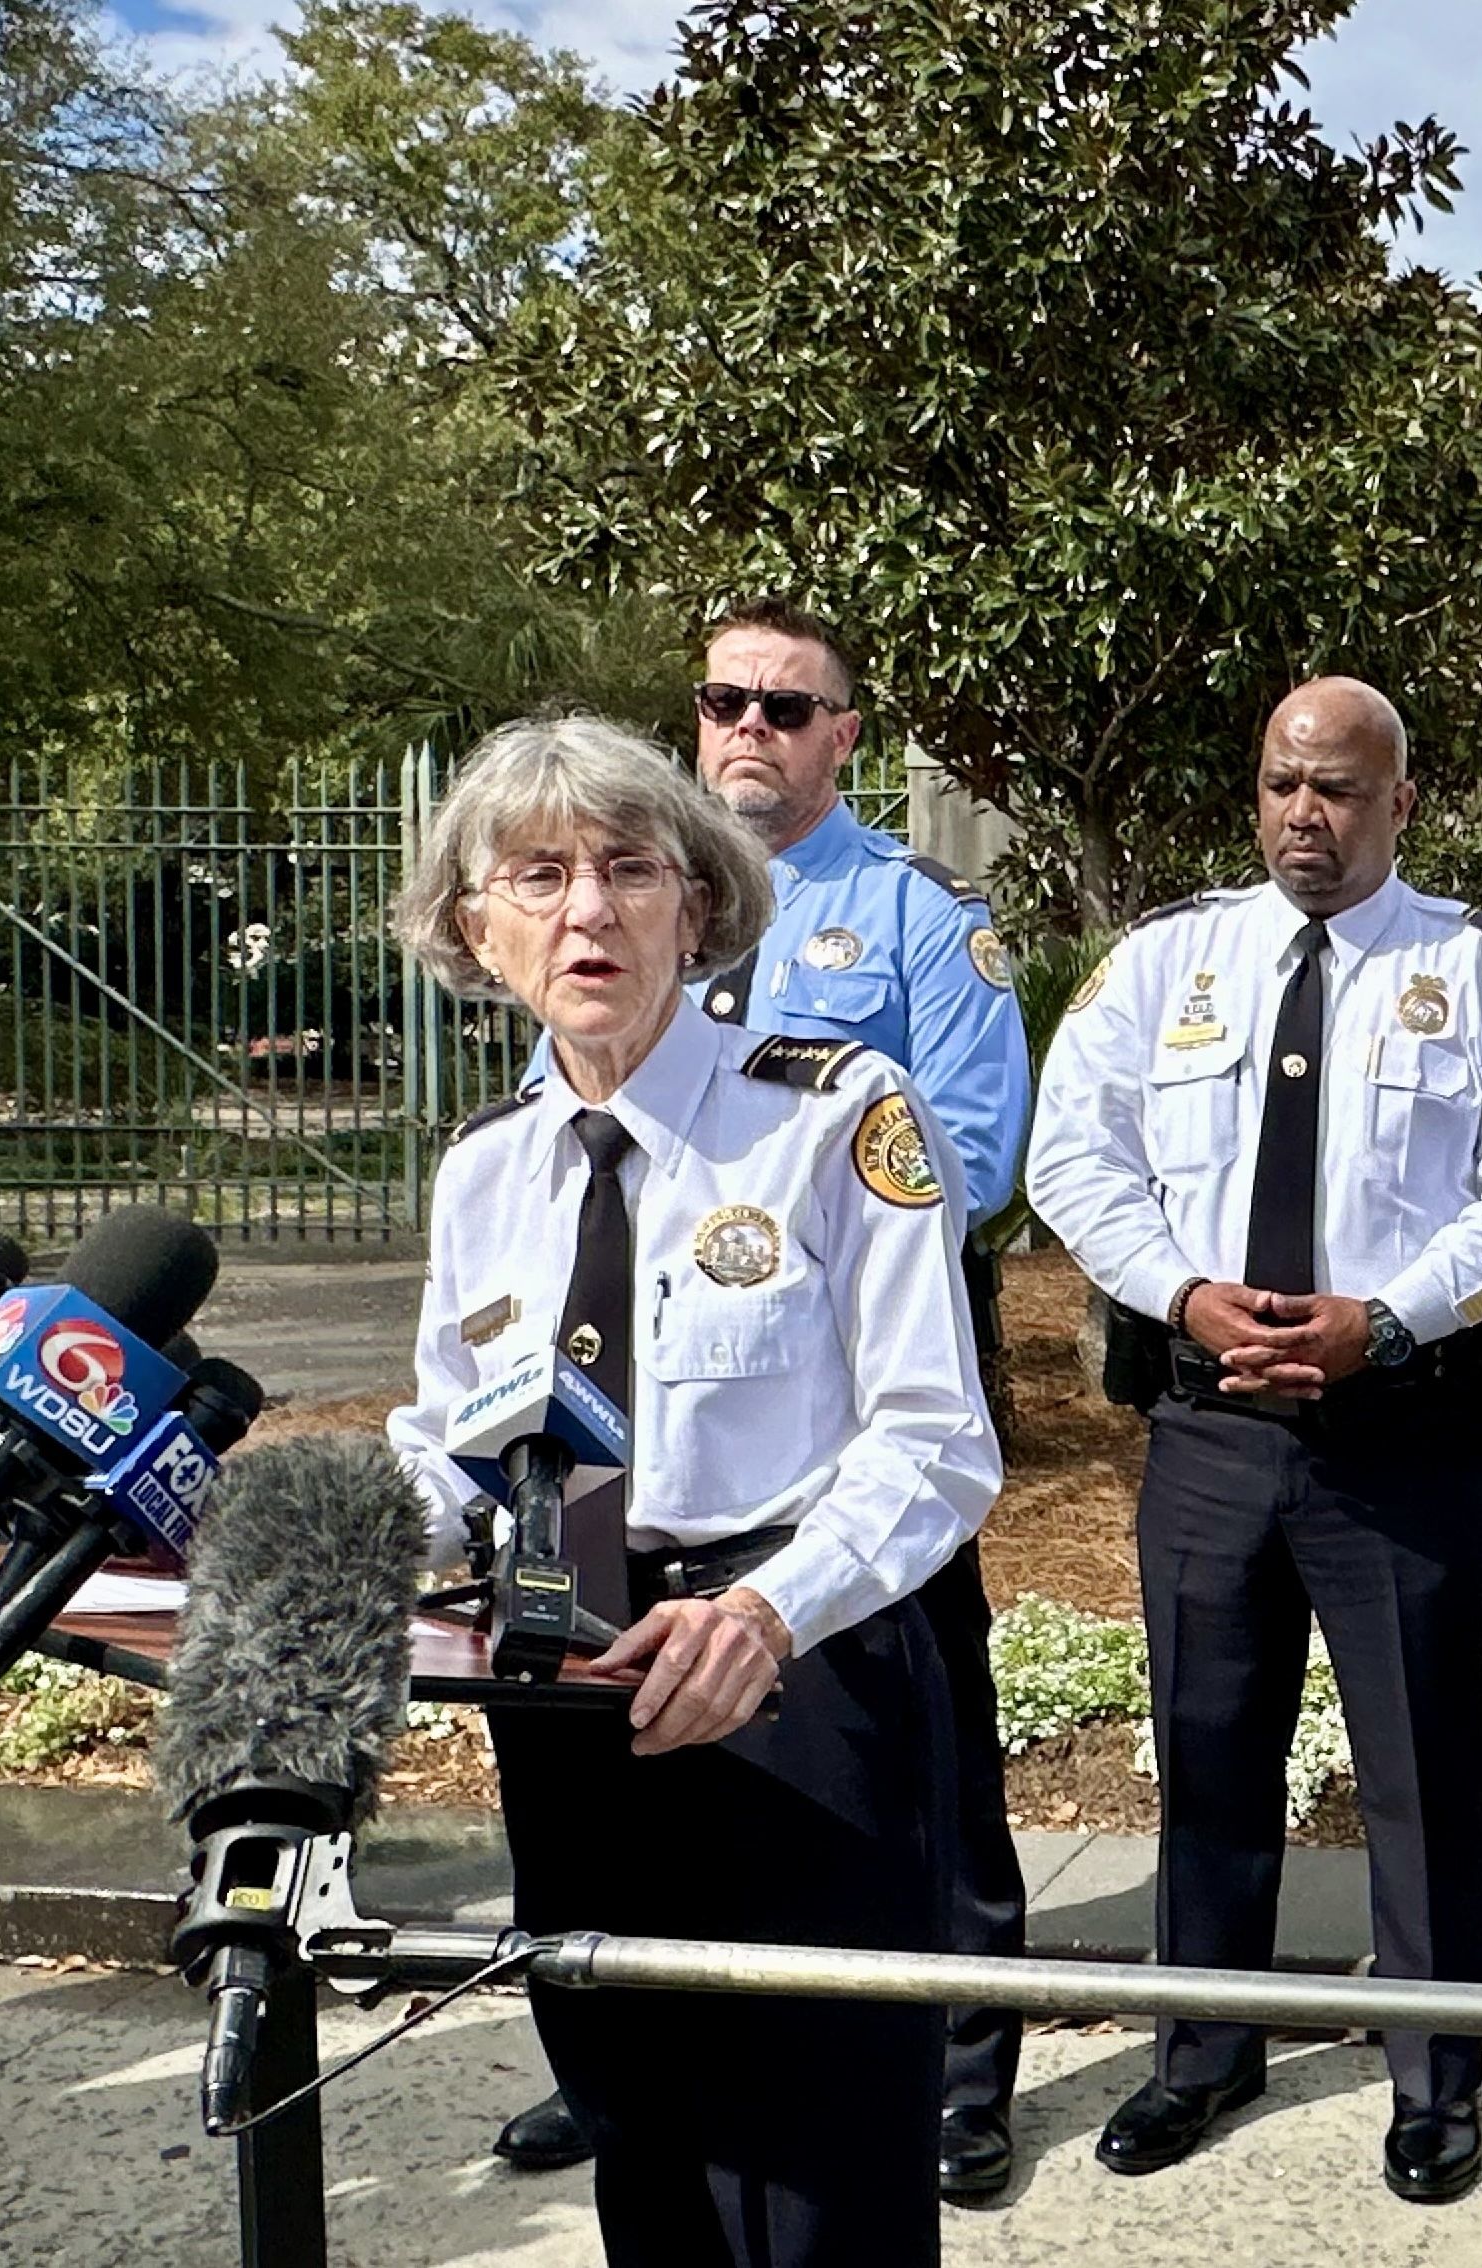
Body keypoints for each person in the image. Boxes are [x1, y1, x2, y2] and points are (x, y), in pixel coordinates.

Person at [386, 715, 997, 2265]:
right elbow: (459, 1444)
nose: (586, 912)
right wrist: (337, 1539)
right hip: (570, 1684)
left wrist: (766, 1613)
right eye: (537, 876)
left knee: (823, 2185)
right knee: (639, 2141)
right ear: (477, 927)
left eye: (627, 870)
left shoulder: (830, 1115)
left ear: (699, 904)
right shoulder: (487, 1169)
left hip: (800, 1679)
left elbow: (936, 1441)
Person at [1022, 677, 1482, 2204]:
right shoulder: (1165, 962)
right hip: (1210, 1430)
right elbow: (1072, 1151)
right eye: (1283, 786)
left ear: (1400, 803)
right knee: (1208, 1756)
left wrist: (1386, 1318)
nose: (1305, 818)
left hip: (1401, 1439)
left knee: (1420, 1767)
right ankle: (1200, 2051)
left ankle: (1437, 2072)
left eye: (1339, 791)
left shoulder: (1479, 973)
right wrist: (1182, 1294)